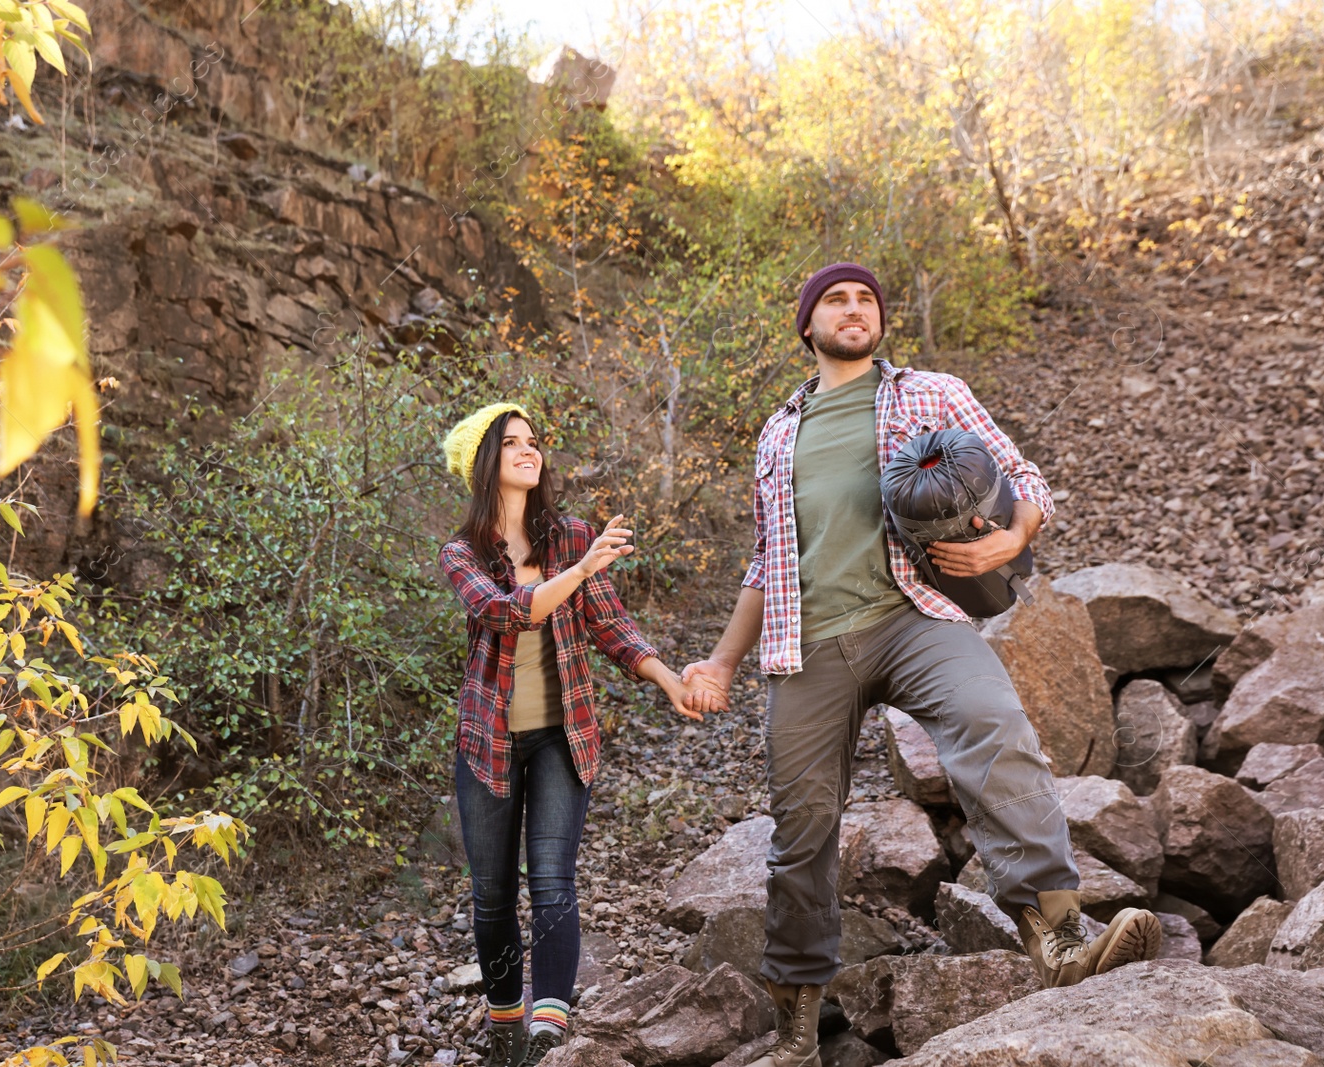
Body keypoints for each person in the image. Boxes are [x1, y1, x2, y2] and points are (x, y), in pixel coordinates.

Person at [680, 263, 1162, 1067]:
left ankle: (1059, 934)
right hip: (806, 646)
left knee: (992, 721)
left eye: (866, 298)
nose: (854, 307)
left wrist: (1012, 537)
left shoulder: (928, 392)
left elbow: (1026, 476)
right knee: (802, 827)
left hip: (913, 616)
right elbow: (768, 564)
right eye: (836, 299)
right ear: (809, 325)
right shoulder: (776, 434)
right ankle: (798, 1022)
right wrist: (722, 664)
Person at [439, 403, 720, 1067]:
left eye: (533, 441)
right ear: (484, 461)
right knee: (491, 897)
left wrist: (669, 679)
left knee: (555, 882)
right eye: (511, 443)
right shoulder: (462, 552)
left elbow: (610, 624)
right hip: (488, 742)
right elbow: (505, 612)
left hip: (564, 736)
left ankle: (548, 1031)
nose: (529, 451)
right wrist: (582, 570)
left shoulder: (569, 536)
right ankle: (506, 1024)